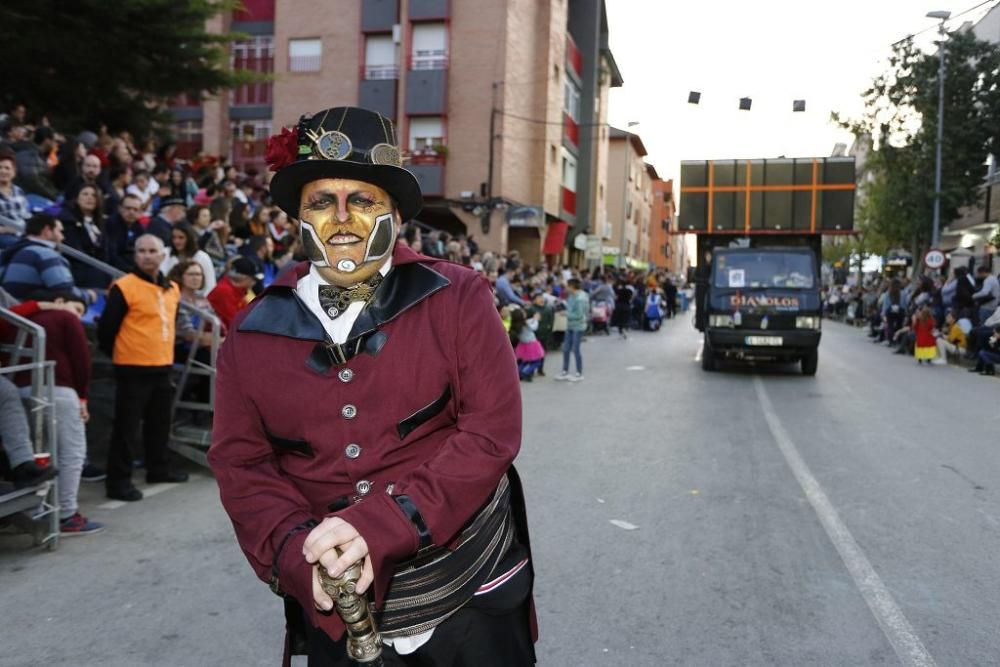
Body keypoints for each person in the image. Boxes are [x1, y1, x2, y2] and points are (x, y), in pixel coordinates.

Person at [208, 107, 535, 666]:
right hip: (333, 608)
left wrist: (384, 523)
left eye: (361, 200)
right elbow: (242, 464)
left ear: (395, 216)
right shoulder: (249, 331)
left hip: (468, 592)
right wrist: (294, 550)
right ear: (298, 217)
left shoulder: (459, 296)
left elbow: (490, 433)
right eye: (320, 201)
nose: (341, 217)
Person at [97, 234, 189, 501]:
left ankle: (158, 469)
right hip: (132, 367)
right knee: (126, 428)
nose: (147, 255)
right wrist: (122, 353)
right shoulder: (124, 287)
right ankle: (118, 483)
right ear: (135, 255)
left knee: (159, 424)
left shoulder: (172, 287)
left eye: (152, 250)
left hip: (162, 364)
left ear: (163, 255)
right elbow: (106, 330)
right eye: (141, 251)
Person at [6, 291, 104, 534]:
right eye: (77, 308)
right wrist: (83, 396)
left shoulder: (20, 318)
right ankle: (66, 514)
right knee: (72, 453)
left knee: (43, 454)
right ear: (59, 301)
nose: (77, 315)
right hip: (59, 389)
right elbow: (82, 360)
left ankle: (43, 509)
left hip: (20, 390)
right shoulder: (64, 317)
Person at [0, 213, 96, 304]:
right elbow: (65, 291)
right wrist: (88, 296)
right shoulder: (44, 254)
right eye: (60, 231)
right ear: (47, 231)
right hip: (27, 314)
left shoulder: (11, 251)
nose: (63, 237)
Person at [58, 184, 109, 288]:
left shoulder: (102, 223)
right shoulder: (68, 220)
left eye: (94, 195)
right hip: (77, 268)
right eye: (85, 194)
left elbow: (105, 250)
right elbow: (74, 251)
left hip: (97, 269)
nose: (90, 198)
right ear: (77, 198)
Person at [160, 221, 217, 295]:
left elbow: (210, 285)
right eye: (174, 237)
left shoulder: (202, 257)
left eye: (181, 238)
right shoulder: (165, 253)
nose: (176, 241)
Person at [206, 256, 258, 330]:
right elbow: (234, 323)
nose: (254, 283)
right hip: (217, 336)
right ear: (244, 278)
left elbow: (248, 314)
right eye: (253, 279)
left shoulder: (238, 290)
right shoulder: (224, 291)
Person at [556, 277, 589, 381]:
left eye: (567, 286)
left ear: (572, 287)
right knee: (566, 349)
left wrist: (566, 314)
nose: (566, 288)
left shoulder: (580, 299)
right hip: (570, 325)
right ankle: (565, 371)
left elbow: (579, 315)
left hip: (578, 327)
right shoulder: (571, 296)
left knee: (576, 349)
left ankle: (579, 372)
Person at [105, 193, 145, 272]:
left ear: (140, 212)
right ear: (120, 208)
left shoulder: (139, 227)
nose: (131, 212)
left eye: (135, 209)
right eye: (128, 208)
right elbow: (112, 255)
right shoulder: (110, 224)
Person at [0, 148, 32, 243]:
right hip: (4, 235)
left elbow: (26, 216)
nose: (3, 171)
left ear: (14, 172)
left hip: (22, 232)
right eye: (0, 168)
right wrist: (6, 229)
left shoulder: (19, 191)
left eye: (7, 168)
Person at [510, 308, 545, 381]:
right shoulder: (525, 324)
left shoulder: (515, 325)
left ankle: (518, 372)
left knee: (524, 361)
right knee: (537, 361)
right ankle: (526, 372)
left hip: (523, 345)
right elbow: (534, 327)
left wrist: (533, 319)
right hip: (532, 345)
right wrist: (536, 320)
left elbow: (529, 322)